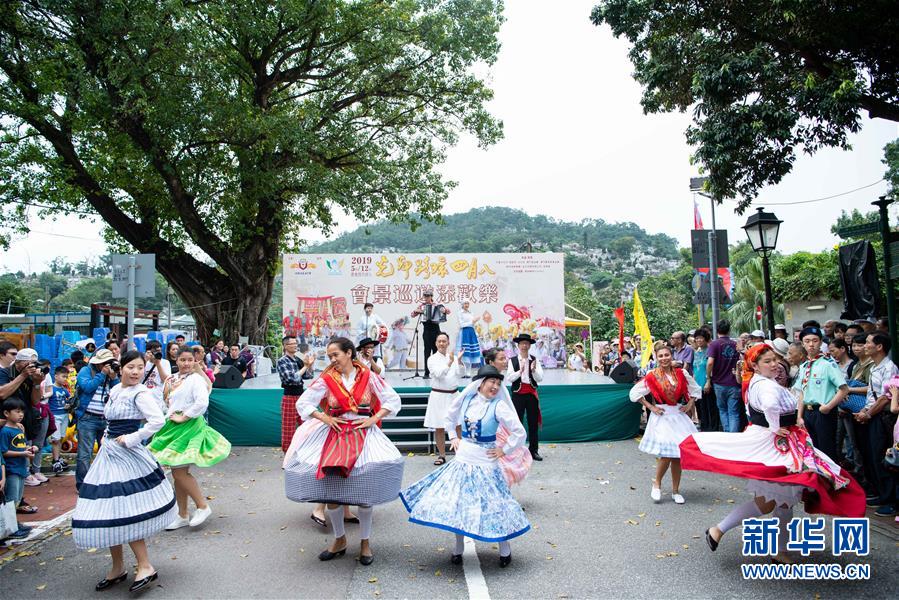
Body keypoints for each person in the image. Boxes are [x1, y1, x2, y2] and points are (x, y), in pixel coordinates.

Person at [683, 344, 865, 561]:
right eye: (767, 361)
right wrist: (775, 426)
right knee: (773, 501)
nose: (774, 364)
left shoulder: (760, 382)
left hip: (778, 443)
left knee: (779, 501)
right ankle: (729, 533)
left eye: (775, 360)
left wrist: (786, 421)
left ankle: (772, 548)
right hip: (776, 447)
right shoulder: (765, 386)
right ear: (755, 365)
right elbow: (770, 405)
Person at [283, 337, 404, 566]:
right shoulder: (328, 378)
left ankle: (365, 542)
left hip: (363, 434)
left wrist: (374, 419)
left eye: (335, 355)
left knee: (365, 492)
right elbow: (304, 403)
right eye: (329, 356)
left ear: (349, 353)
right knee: (332, 491)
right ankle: (339, 539)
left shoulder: (368, 376)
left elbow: (392, 399)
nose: (332, 359)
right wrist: (324, 417)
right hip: (335, 434)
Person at [400, 365, 530, 568]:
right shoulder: (466, 399)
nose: (495, 386)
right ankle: (458, 548)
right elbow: (449, 417)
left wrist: (504, 450)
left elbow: (519, 432)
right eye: (492, 382)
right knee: (458, 503)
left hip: (486, 463)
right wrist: (453, 437)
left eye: (498, 383)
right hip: (463, 459)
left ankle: (505, 549)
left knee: (495, 505)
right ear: (480, 383)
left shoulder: (499, 406)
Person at [71, 351, 177, 593]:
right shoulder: (117, 389)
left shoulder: (141, 393)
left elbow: (157, 421)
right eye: (131, 367)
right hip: (109, 454)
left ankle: (145, 565)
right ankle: (117, 567)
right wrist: (109, 439)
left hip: (128, 457)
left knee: (125, 509)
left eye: (140, 367)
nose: (136, 372)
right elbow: (110, 420)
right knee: (108, 509)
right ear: (121, 368)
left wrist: (132, 438)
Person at [148, 348, 231, 530]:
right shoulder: (171, 379)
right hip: (172, 426)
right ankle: (183, 514)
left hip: (189, 426)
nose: (186, 363)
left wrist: (184, 416)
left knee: (179, 472)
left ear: (195, 361)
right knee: (177, 472)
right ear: (176, 360)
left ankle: (202, 506)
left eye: (190, 360)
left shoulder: (196, 379)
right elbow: (165, 403)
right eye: (182, 359)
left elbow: (202, 402)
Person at [629, 346, 699, 504]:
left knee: (678, 455)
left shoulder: (681, 373)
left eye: (667, 355)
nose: (664, 358)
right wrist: (651, 407)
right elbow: (634, 393)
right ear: (656, 358)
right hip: (662, 416)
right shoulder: (652, 375)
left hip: (678, 415)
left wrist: (689, 404)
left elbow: (695, 389)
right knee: (666, 454)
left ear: (671, 356)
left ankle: (675, 490)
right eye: (660, 356)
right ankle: (657, 483)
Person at [856, 332, 898, 517]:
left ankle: (891, 500)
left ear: (879, 346)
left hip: (882, 417)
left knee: (884, 456)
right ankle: (882, 494)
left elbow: (884, 397)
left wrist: (868, 413)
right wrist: (864, 411)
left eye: (868, 342)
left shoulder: (889, 368)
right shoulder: (874, 367)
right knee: (872, 456)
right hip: (872, 415)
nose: (865, 345)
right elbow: (872, 395)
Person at [793, 326, 848, 462]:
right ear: (803, 344)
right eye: (807, 341)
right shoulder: (804, 366)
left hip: (823, 412)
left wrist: (829, 406)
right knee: (812, 450)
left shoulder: (828, 364)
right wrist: (799, 416)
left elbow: (844, 389)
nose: (811, 344)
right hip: (808, 412)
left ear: (821, 342)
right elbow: (802, 392)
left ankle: (831, 475)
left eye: (815, 340)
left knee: (826, 450)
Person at [483, 348, 533, 486]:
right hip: (494, 427)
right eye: (501, 359)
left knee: (504, 462)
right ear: (491, 362)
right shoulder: (487, 381)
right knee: (499, 463)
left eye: (505, 358)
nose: (505, 361)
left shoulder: (499, 380)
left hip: (503, 426)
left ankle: (500, 491)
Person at [74, 348, 121, 490]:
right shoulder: (86, 371)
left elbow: (118, 393)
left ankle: (103, 481)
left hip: (105, 419)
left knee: (107, 452)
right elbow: (87, 387)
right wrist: (102, 374)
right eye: (105, 362)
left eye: (109, 362)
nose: (107, 365)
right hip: (87, 418)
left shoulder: (110, 374)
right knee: (85, 453)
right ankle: (83, 485)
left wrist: (114, 378)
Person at [0, 347, 44, 491]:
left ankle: (18, 495)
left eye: (34, 363)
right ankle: (9, 495)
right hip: (4, 422)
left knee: (20, 461)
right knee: (6, 459)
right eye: (29, 363)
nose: (32, 367)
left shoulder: (30, 376)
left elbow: (35, 401)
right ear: (18, 362)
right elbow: (2, 394)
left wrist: (37, 383)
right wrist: (23, 375)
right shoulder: (5, 372)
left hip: (21, 423)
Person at [1, 398, 39, 539]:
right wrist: (23, 453)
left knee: (17, 499)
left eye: (22, 411)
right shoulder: (5, 431)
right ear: (6, 413)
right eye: (17, 411)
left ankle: (15, 524)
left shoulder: (19, 428)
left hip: (22, 468)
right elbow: (4, 451)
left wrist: (30, 448)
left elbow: (20, 445)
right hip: (12, 469)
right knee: (11, 500)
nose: (21, 414)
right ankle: (10, 527)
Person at [425, 332, 465, 465]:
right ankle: (442, 455)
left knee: (458, 425)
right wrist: (449, 363)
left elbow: (461, 374)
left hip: (454, 395)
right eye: (439, 341)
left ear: (448, 343)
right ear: (436, 343)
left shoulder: (453, 357)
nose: (442, 343)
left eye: (444, 341)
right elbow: (438, 374)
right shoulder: (432, 359)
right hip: (439, 396)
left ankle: (460, 455)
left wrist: (459, 361)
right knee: (439, 427)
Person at [507, 333, 543, 461]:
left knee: (533, 423)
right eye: (522, 343)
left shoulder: (535, 360)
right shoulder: (512, 360)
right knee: (517, 423)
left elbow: (540, 378)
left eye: (527, 343)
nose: (524, 346)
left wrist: (533, 370)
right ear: (518, 345)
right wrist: (520, 371)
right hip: (518, 394)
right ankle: (517, 451)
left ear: (529, 346)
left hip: (531, 394)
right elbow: (510, 378)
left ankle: (534, 450)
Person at [705, 320, 743, 433]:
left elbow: (710, 362)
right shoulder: (735, 344)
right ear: (729, 330)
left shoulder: (714, 344)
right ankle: (733, 436)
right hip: (734, 382)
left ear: (716, 330)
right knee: (734, 412)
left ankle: (728, 435)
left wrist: (708, 378)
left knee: (723, 410)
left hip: (719, 383)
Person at [411, 290, 450, 379]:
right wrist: (417, 311)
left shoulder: (437, 305)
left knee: (437, 351)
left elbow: (448, 311)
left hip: (436, 330)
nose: (426, 298)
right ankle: (426, 373)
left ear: (431, 297)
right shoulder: (421, 306)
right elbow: (412, 315)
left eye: (428, 296)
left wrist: (444, 310)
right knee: (427, 351)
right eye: (425, 296)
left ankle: (437, 372)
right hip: (427, 330)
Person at [47, 366, 73, 474]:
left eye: (66, 377)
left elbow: (69, 400)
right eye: (63, 376)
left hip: (64, 415)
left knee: (61, 437)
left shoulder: (64, 390)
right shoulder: (51, 389)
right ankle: (56, 461)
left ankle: (57, 458)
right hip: (55, 416)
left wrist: (69, 405)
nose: (65, 379)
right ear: (56, 376)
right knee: (56, 439)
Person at [692, 329, 719, 432]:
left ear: (706, 339)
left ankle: (713, 430)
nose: (698, 340)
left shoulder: (710, 351)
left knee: (711, 407)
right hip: (698, 384)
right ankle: (704, 429)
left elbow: (711, 367)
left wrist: (708, 381)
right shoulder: (696, 352)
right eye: (697, 338)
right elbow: (695, 368)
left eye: (701, 338)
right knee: (701, 408)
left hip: (708, 382)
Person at [142, 340, 172, 410]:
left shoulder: (165, 362)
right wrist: (145, 361)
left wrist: (158, 363)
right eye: (155, 351)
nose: (157, 353)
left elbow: (165, 380)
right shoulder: (144, 363)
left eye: (159, 351)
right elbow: (139, 379)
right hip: (145, 397)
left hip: (158, 398)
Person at [456, 300, 482, 376]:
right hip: (464, 333)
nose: (466, 305)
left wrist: (476, 332)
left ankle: (468, 371)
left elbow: (473, 325)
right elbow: (461, 325)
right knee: (465, 351)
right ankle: (465, 370)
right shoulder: (460, 313)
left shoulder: (471, 313)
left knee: (471, 351)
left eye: (467, 303)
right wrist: (472, 321)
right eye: (465, 303)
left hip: (471, 332)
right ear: (462, 304)